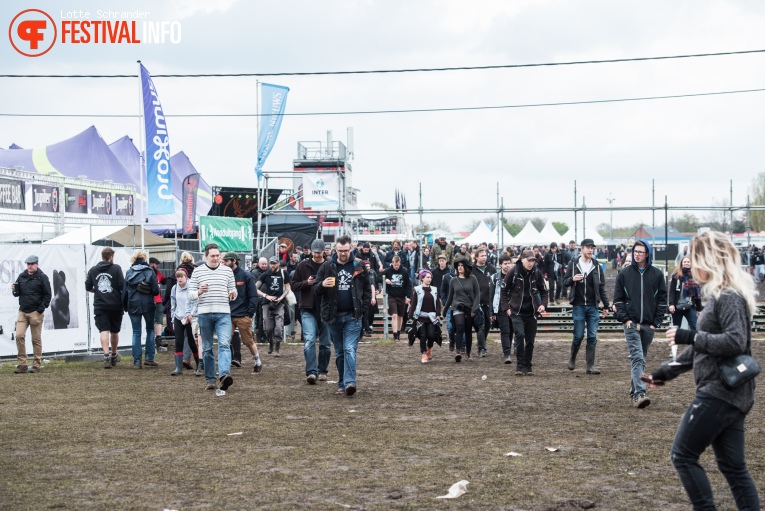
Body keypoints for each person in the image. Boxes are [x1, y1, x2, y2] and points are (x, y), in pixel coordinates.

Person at [644, 231, 760, 510]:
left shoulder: (728, 297)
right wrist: (664, 373)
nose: (690, 265)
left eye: (693, 259)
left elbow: (734, 341)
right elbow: (702, 349)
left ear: (708, 261)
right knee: (733, 468)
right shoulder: (722, 296)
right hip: (733, 394)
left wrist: (691, 336)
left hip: (719, 392)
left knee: (683, 455)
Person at [314, 235, 371, 396]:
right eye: (340, 251)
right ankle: (342, 382)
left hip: (353, 316)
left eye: (346, 250)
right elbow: (315, 290)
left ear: (351, 248)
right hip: (333, 317)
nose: (343, 254)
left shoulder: (358, 265)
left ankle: (350, 383)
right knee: (339, 352)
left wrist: (363, 309)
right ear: (335, 250)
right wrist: (322, 284)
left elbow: (367, 289)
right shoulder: (327, 267)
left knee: (349, 349)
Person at [613, 240, 667, 407]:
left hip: (649, 325)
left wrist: (656, 323)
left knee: (640, 359)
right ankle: (640, 394)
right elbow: (618, 300)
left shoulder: (657, 275)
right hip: (630, 323)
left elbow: (662, 300)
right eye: (635, 251)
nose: (637, 254)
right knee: (637, 357)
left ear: (647, 254)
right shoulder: (624, 274)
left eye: (641, 252)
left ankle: (634, 390)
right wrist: (626, 319)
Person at [187, 243, 237, 392]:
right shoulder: (197, 272)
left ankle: (224, 375)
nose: (216, 258)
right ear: (205, 256)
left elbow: (233, 290)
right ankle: (210, 380)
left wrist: (233, 294)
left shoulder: (228, 271)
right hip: (204, 313)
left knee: (223, 344)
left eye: (217, 255)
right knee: (207, 348)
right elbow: (190, 295)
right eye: (213, 256)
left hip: (223, 313)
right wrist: (199, 292)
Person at [563, 238, 610, 375]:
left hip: (593, 306)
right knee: (578, 335)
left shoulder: (597, 266)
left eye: (592, 248)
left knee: (592, 336)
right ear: (581, 249)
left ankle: (590, 366)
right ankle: (572, 357)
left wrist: (606, 305)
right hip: (578, 305)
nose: (590, 250)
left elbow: (601, 288)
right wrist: (572, 279)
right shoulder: (573, 264)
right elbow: (564, 282)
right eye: (588, 247)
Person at [500, 250, 548, 375]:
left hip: (532, 311)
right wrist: (506, 308)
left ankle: (528, 366)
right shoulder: (513, 271)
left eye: (533, 261)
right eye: (529, 260)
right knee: (520, 335)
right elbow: (503, 290)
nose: (531, 263)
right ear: (522, 260)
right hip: (516, 311)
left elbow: (544, 291)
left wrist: (543, 304)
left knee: (530, 340)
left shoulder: (537, 272)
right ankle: (519, 365)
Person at [291, 239, 332, 384]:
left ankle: (322, 370)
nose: (316, 255)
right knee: (309, 340)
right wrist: (306, 283)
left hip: (325, 308)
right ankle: (311, 372)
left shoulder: (330, 266)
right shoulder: (303, 265)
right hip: (307, 308)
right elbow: (293, 285)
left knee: (325, 343)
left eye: (318, 252)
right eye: (314, 252)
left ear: (324, 251)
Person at [11, 255, 52, 373]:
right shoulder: (22, 276)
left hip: (35, 312)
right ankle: (22, 364)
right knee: (19, 336)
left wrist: (40, 310)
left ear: (37, 264)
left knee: (36, 339)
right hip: (23, 311)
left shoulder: (42, 277)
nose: (29, 266)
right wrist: (14, 289)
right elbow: (17, 293)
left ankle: (36, 364)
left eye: (32, 264)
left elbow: (48, 295)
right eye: (28, 264)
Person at [85, 247, 124, 369]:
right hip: (115, 304)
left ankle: (106, 356)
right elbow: (122, 285)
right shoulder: (116, 268)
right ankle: (113, 354)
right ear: (111, 257)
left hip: (100, 305)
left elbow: (87, 286)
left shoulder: (93, 270)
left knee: (103, 330)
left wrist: (96, 290)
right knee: (114, 331)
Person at [222, 252, 262, 373]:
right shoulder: (224, 275)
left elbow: (253, 296)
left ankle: (257, 361)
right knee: (225, 342)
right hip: (227, 315)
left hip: (243, 314)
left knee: (248, 341)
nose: (224, 263)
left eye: (226, 261)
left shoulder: (246, 275)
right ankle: (225, 366)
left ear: (234, 261)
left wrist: (250, 313)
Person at [123, 250, 160, 369]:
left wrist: (124, 306)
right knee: (150, 329)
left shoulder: (129, 272)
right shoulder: (149, 271)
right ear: (144, 259)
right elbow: (156, 291)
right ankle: (149, 358)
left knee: (136, 332)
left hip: (133, 304)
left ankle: (136, 361)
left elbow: (124, 292)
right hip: (148, 304)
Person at [442, 257, 480, 362]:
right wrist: (444, 310)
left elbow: (477, 295)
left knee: (468, 330)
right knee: (459, 327)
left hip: (469, 308)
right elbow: (450, 297)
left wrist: (474, 309)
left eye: (462, 265)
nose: (460, 267)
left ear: (466, 267)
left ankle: (468, 352)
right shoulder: (454, 280)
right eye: (458, 266)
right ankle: (458, 351)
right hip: (457, 307)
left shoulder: (473, 279)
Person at [256, 256, 291, 357]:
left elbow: (288, 288)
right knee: (268, 327)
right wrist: (266, 296)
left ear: (278, 264)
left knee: (279, 327)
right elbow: (255, 288)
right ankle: (270, 341)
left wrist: (281, 297)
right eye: (271, 263)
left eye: (274, 263)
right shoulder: (265, 275)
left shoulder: (284, 273)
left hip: (280, 303)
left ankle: (277, 348)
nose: (272, 265)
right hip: (267, 303)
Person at [408, 269, 443, 364]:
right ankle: (423, 353)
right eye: (427, 277)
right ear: (422, 278)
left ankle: (429, 348)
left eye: (430, 277)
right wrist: (411, 315)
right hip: (421, 316)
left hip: (432, 317)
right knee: (423, 335)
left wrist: (438, 314)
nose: (429, 279)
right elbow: (414, 303)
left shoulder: (434, 290)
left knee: (432, 335)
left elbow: (438, 303)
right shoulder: (417, 289)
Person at [169, 268, 200, 376]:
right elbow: (173, 304)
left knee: (192, 342)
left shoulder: (192, 287)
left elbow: (196, 302)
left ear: (186, 277)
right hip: (178, 317)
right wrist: (173, 318)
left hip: (191, 317)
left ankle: (199, 365)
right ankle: (178, 368)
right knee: (178, 341)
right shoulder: (174, 288)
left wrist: (191, 315)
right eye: (178, 277)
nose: (179, 279)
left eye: (181, 276)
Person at [471, 247, 496, 357]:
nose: (484, 257)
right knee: (481, 325)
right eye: (482, 256)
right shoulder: (471, 270)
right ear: (476, 257)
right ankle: (482, 348)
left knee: (487, 326)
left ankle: (482, 342)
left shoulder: (491, 269)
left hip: (488, 302)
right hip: (476, 302)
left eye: (485, 255)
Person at [491, 254, 514, 364]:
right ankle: (507, 354)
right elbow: (491, 295)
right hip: (500, 307)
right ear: (500, 265)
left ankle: (508, 349)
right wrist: (491, 311)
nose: (507, 265)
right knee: (505, 330)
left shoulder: (515, 276)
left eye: (509, 263)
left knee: (511, 330)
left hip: (513, 307)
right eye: (505, 263)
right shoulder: (495, 277)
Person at [668, 256, 702, 331]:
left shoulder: (695, 277)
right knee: (676, 329)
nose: (686, 263)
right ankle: (675, 342)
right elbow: (672, 292)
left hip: (689, 306)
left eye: (688, 262)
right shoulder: (676, 276)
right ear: (681, 264)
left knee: (695, 327)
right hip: (677, 307)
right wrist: (671, 304)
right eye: (685, 262)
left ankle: (695, 342)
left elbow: (697, 295)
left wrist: (699, 309)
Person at [383, 256, 412, 340]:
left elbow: (408, 285)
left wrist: (408, 297)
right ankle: (395, 334)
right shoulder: (388, 271)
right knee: (394, 315)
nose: (396, 266)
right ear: (392, 263)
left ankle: (398, 332)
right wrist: (385, 280)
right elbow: (378, 277)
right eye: (395, 265)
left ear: (400, 263)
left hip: (402, 296)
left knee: (400, 315)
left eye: (397, 265)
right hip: (392, 296)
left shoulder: (404, 271)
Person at [148, 257, 166, 344]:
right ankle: (150, 338)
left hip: (158, 300)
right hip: (149, 300)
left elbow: (163, 280)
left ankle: (158, 338)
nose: (157, 266)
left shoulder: (157, 273)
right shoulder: (147, 272)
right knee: (151, 319)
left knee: (159, 319)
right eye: (156, 264)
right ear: (151, 264)